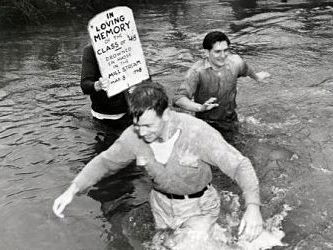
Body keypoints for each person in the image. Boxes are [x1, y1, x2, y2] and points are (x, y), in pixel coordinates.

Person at [53, 82, 263, 249]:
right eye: (137, 125)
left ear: (167, 114)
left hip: (199, 207)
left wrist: (253, 207)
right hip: (161, 206)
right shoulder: (135, 135)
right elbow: (105, 162)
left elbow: (240, 166)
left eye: (148, 125)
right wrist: (73, 188)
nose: (142, 132)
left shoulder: (198, 133)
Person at [173, 31, 270, 142]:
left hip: (231, 119)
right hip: (207, 124)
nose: (223, 55)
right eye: (217, 52)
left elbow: (246, 69)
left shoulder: (235, 62)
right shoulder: (197, 72)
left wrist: (257, 77)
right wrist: (200, 108)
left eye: (226, 50)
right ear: (206, 52)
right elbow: (179, 98)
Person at [81, 44, 132, 135]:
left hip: (131, 113)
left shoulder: (129, 43)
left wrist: (140, 86)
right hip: (103, 118)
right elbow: (85, 86)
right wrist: (97, 85)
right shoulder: (90, 50)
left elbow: (146, 79)